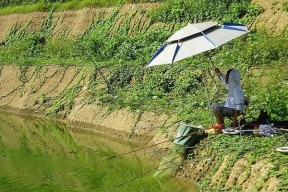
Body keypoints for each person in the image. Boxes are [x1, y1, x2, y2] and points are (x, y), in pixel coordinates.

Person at [211, 68, 244, 132]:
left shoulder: (236, 89)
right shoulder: (232, 86)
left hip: (234, 110)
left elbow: (239, 105)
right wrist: (219, 73)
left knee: (215, 106)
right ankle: (221, 125)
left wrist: (234, 119)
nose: (226, 77)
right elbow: (224, 82)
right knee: (213, 105)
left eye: (227, 75)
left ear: (231, 78)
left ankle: (221, 126)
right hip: (231, 108)